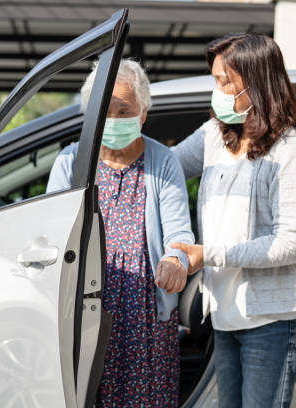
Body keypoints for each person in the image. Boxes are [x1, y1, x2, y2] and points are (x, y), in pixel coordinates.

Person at [170, 33, 296, 408]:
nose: (217, 90)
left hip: (272, 318)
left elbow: (290, 243)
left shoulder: (292, 152)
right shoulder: (215, 136)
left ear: (255, 82)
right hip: (226, 314)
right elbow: (168, 166)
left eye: (225, 82)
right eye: (215, 81)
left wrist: (208, 254)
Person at [46, 59, 193, 407]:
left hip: (145, 316)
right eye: (104, 110)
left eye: (124, 110)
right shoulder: (70, 163)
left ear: (143, 113)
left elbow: (179, 231)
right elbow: (49, 234)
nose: (113, 119)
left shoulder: (163, 161)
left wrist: (176, 258)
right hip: (82, 312)